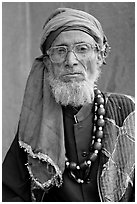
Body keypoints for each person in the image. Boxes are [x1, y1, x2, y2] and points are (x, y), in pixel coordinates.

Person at [2, 7, 135, 202]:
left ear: (99, 57)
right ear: (48, 63)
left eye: (82, 49)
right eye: (60, 51)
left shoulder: (129, 112)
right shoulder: (35, 122)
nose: (71, 61)